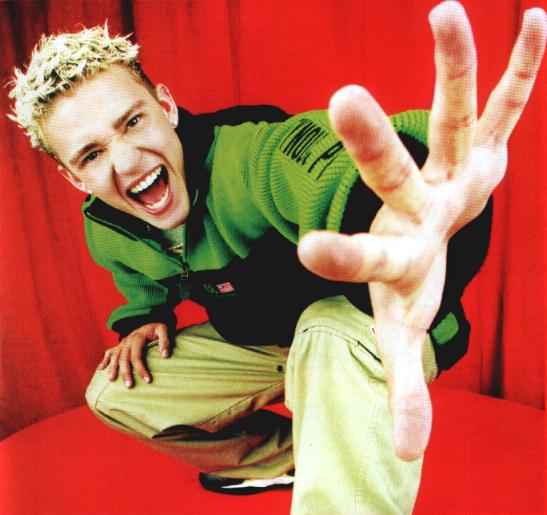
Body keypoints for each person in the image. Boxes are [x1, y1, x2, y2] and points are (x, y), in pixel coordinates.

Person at [8, 1, 546, 513]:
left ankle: (345, 485)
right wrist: (143, 317)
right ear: (73, 177)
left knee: (324, 330)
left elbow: (324, 165)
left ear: (166, 107)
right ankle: (297, 459)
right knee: (113, 393)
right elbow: (142, 275)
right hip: (271, 340)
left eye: (132, 122)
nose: (126, 163)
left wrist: (405, 207)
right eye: (92, 154)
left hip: (381, 323)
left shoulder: (250, 157)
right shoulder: (107, 225)